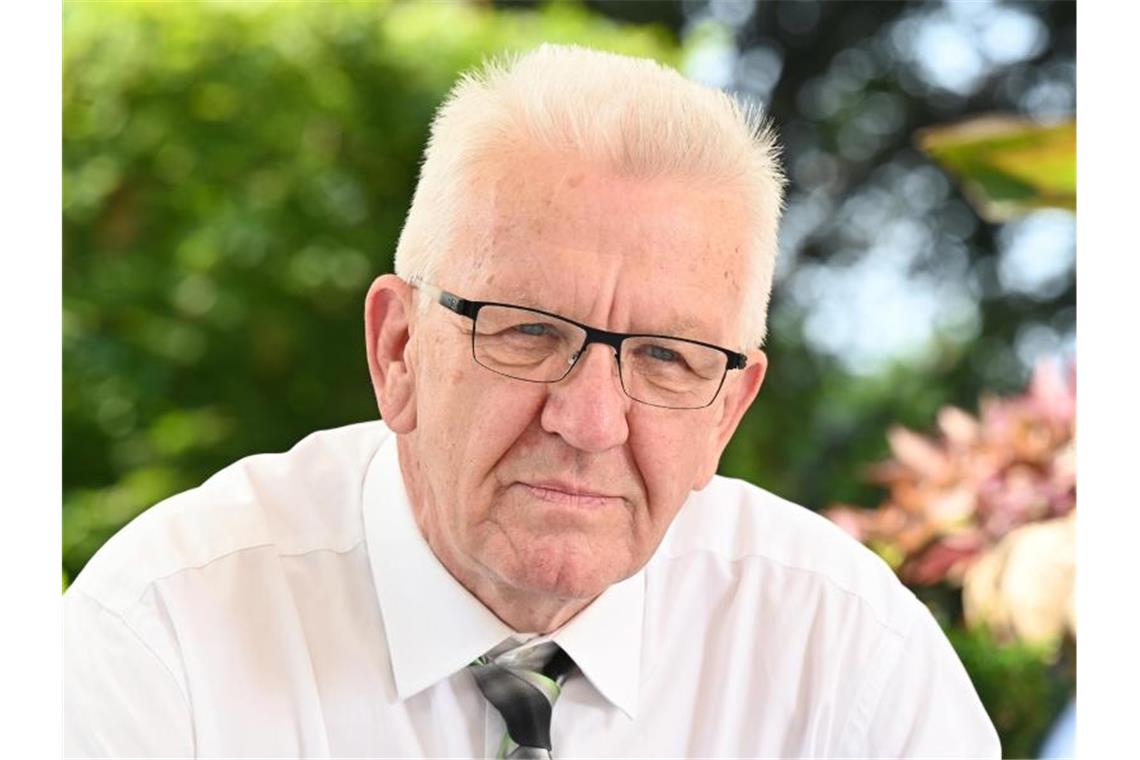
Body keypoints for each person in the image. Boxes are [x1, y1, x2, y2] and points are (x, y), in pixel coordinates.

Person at [63, 44, 1000, 758]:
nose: (589, 423)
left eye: (669, 358)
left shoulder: (844, 655)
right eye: (527, 332)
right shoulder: (162, 633)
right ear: (398, 350)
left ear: (728, 409)